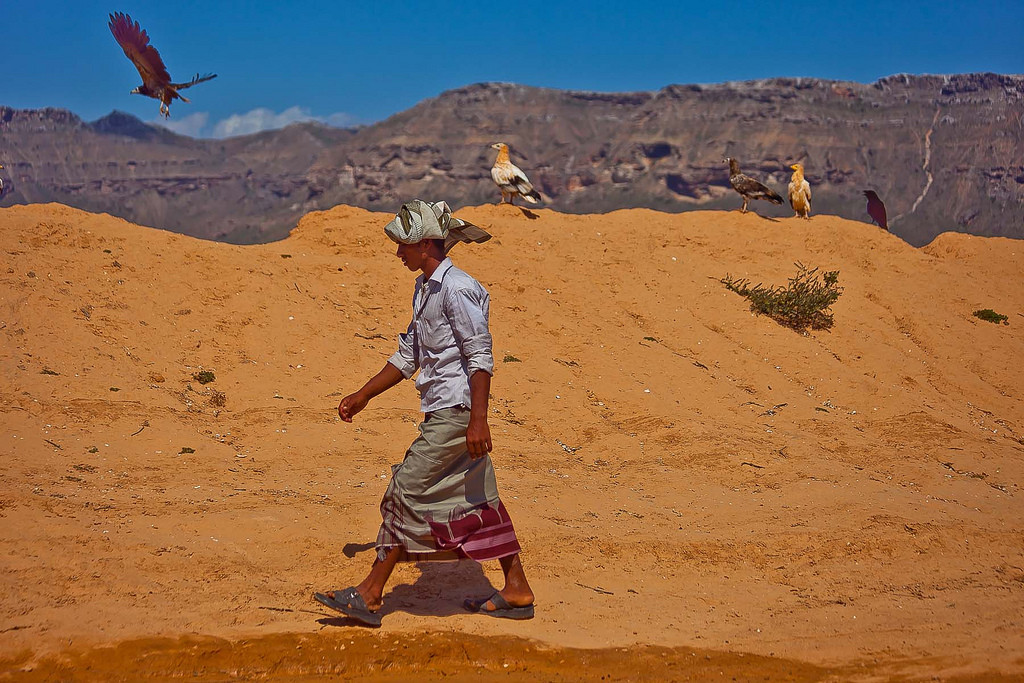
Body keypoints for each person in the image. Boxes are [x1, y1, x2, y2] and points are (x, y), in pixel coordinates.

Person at [315, 199, 534, 627]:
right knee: (478, 500)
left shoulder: (458, 288)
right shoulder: (425, 288)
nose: (399, 253)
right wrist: (363, 395)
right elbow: (409, 355)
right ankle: (517, 588)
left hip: (457, 413)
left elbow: (480, 356)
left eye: (404, 245)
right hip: (446, 411)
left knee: (404, 491)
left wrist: (478, 419)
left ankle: (370, 593)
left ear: (427, 244)